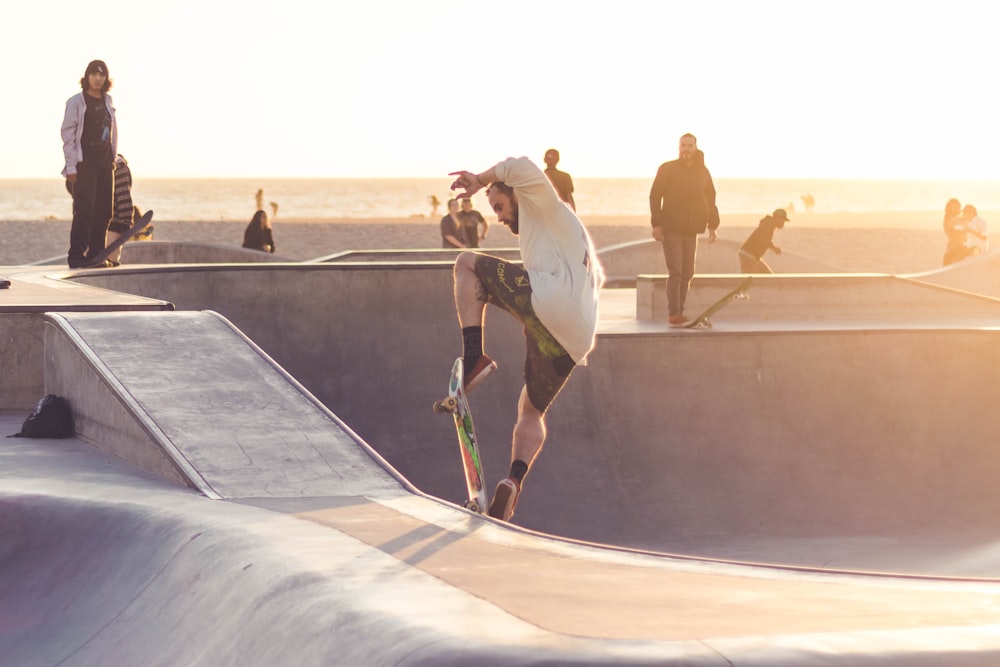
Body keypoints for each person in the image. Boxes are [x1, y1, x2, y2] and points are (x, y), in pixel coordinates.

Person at [447, 156, 604, 521]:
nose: (499, 217)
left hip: (550, 301)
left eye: (499, 206)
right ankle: (514, 482)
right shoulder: (562, 237)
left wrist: (479, 179)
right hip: (575, 338)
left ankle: (474, 359)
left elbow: (518, 165)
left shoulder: (544, 203)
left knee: (466, 264)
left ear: (518, 195)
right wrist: (535, 319)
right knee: (531, 410)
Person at [649, 134, 720, 325]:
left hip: (693, 229)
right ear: (678, 148)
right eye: (683, 145)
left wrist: (712, 226)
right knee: (676, 271)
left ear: (695, 147)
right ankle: (674, 313)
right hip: (671, 228)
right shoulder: (668, 169)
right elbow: (655, 196)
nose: (686, 149)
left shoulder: (703, 172)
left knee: (688, 273)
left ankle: (680, 311)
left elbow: (710, 198)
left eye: (689, 145)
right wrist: (657, 224)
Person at [61, 60, 118, 268]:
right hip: (84, 164)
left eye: (101, 75)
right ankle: (76, 256)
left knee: (104, 212)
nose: (97, 78)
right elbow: (68, 134)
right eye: (94, 74)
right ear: (87, 77)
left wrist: (114, 159)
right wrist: (71, 166)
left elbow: (111, 132)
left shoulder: (107, 100)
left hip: (105, 164)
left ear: (106, 79)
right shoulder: (77, 102)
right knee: (84, 210)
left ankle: (96, 254)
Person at [106, 154, 135, 266]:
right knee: (110, 261)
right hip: (111, 225)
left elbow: (123, 196)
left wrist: (126, 222)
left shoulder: (118, 168)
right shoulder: (119, 167)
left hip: (109, 225)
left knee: (107, 262)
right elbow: (124, 196)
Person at [738, 209, 789, 273]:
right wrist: (774, 248)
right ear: (778, 218)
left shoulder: (768, 224)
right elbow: (763, 237)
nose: (783, 223)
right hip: (748, 256)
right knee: (750, 280)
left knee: (768, 277)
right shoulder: (769, 224)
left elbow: (763, 238)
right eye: (783, 221)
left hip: (754, 257)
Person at [942, 198, 965, 266]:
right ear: (951, 208)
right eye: (956, 207)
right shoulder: (950, 217)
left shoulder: (954, 217)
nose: (958, 209)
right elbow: (949, 228)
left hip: (958, 244)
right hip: (954, 245)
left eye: (958, 207)